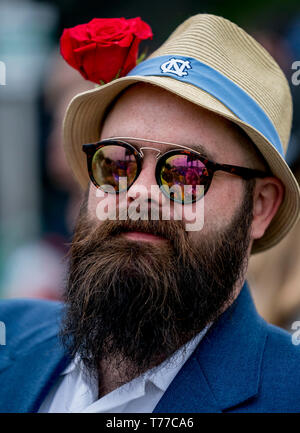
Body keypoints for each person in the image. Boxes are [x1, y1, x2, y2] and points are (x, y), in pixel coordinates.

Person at [1, 13, 300, 413]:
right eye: (118, 162)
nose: (140, 193)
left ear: (260, 207)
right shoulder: (11, 331)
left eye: (185, 171)